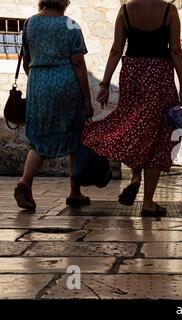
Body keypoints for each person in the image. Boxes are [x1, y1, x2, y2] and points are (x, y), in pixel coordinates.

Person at [82, 0, 182, 216]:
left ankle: (135, 177)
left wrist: (104, 84)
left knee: (136, 127)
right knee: (158, 135)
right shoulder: (169, 11)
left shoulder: (125, 11)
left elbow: (116, 50)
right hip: (159, 76)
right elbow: (176, 50)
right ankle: (148, 203)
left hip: (133, 73)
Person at [14, 0, 93, 211]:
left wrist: (39, 82)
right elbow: (78, 63)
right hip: (66, 84)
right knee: (74, 135)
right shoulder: (71, 24)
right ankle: (75, 193)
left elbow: (26, 60)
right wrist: (87, 98)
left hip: (38, 83)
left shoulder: (30, 23)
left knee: (39, 139)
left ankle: (25, 182)